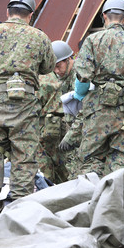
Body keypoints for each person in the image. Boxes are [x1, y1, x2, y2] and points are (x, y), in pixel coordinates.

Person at [0, 0, 56, 216]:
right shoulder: (39, 37)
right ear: (31, 15)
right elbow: (47, 67)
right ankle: (19, 207)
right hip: (25, 103)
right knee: (24, 154)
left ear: (8, 12)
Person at [73, 0, 124, 177]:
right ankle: (114, 202)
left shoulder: (92, 40)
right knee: (120, 163)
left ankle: (90, 200)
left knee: (91, 159)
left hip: (97, 112)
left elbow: (83, 74)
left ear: (104, 16)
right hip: (123, 114)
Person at [36, 40, 76, 184]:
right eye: (54, 68)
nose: (57, 71)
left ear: (68, 59)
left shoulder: (80, 76)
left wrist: (71, 136)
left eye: (59, 66)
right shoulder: (63, 78)